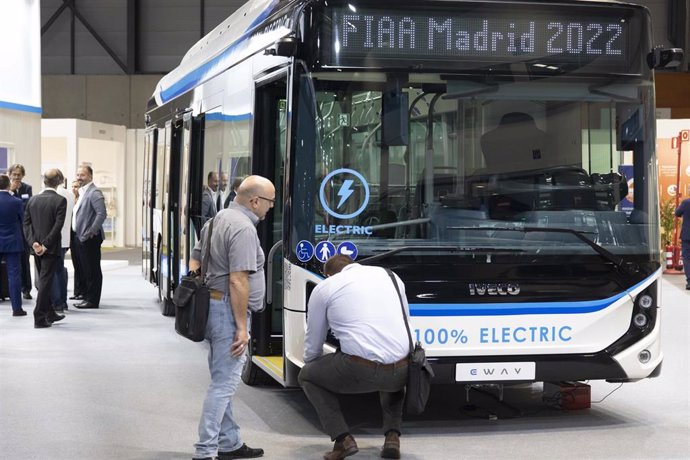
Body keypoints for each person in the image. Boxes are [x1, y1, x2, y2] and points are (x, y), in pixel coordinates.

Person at [187, 175, 274, 460]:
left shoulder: (217, 219)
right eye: (270, 202)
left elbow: (195, 260)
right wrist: (241, 328)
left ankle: (229, 443)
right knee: (224, 385)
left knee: (221, 378)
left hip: (213, 307)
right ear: (255, 201)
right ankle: (205, 450)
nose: (270, 208)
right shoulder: (244, 229)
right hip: (228, 311)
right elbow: (238, 281)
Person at [298, 254, 410, 460]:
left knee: (307, 375)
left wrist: (314, 364)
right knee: (392, 364)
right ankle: (392, 438)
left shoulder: (326, 287)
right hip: (403, 370)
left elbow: (313, 342)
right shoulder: (391, 276)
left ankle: (343, 440)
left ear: (329, 274)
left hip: (359, 369)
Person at [23, 169, 67, 328]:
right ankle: (39, 316)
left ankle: (49, 313)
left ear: (44, 181)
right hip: (51, 248)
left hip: (36, 249)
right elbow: (58, 226)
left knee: (44, 280)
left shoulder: (33, 200)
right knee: (46, 282)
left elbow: (26, 224)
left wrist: (34, 243)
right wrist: (46, 245)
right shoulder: (61, 200)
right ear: (60, 181)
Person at [72, 165, 106, 309]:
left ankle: (92, 300)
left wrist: (90, 232)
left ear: (90, 176)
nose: (79, 177)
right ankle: (87, 296)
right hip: (80, 237)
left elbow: (101, 214)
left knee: (92, 269)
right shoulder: (82, 192)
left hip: (89, 238)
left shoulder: (94, 192)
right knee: (85, 269)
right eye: (78, 175)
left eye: (83, 175)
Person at [0, 174, 27, 316]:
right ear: (8, 185)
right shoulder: (16, 202)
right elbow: (23, 220)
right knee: (14, 275)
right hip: (13, 242)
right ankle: (17, 308)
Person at [7, 164, 33, 300]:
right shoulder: (5, 188)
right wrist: (11, 191)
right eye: (14, 174)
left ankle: (26, 289)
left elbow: (27, 206)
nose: (16, 177)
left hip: (23, 230)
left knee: (25, 260)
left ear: (23, 175)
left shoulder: (27, 188)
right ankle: (7, 290)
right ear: (10, 174)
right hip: (9, 228)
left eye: (19, 175)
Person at [50, 171, 74, 312]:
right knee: (60, 270)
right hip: (65, 238)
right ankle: (62, 302)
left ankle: (57, 302)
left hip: (53, 238)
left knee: (54, 272)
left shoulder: (50, 195)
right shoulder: (69, 194)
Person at [69, 179, 85, 300]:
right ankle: (77, 291)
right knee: (76, 265)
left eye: (76, 186)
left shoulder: (83, 200)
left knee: (82, 264)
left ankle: (83, 291)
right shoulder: (70, 201)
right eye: (73, 186)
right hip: (72, 236)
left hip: (81, 235)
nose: (74, 189)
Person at [675, 197, 690, 290]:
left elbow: (677, 213)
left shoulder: (686, 202)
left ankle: (689, 281)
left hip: (687, 235)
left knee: (687, 258)